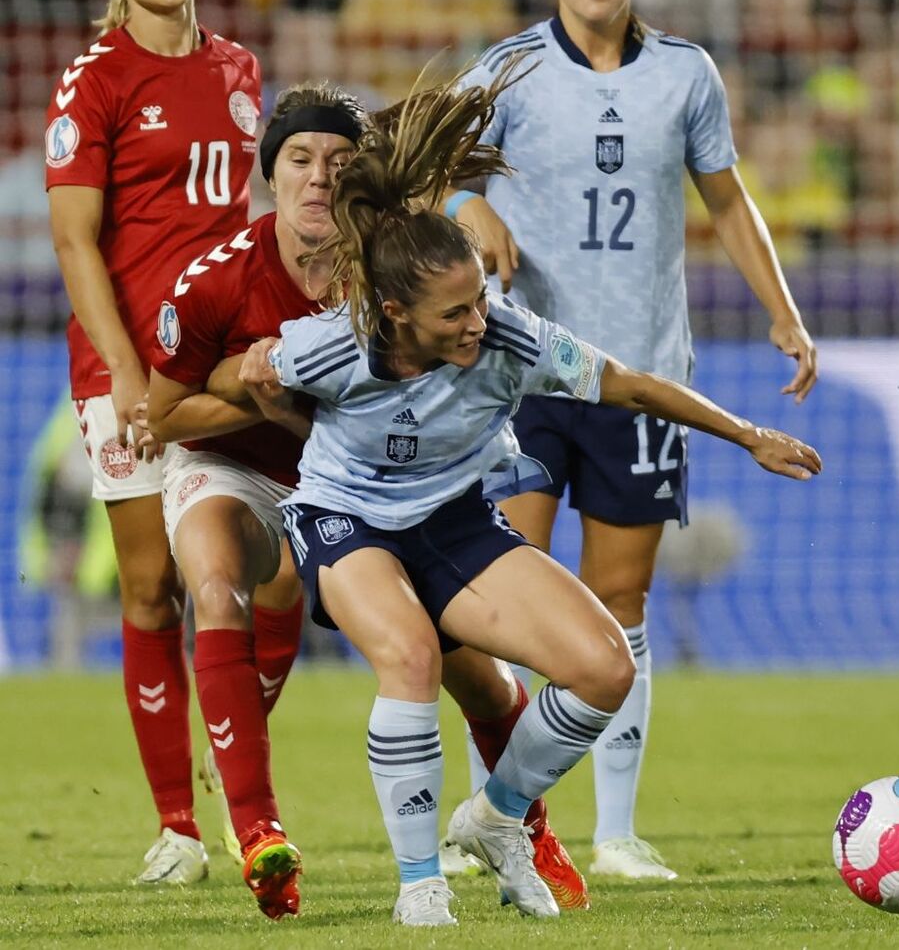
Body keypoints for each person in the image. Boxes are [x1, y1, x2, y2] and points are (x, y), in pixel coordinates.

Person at [235, 74, 821, 926]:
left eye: (480, 297)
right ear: (396, 313)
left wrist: (748, 434)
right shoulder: (332, 344)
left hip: (453, 520)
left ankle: (496, 816)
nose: (480, 321)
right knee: (409, 655)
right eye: (456, 313)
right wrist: (265, 396)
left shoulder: (510, 336)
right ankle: (418, 887)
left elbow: (630, 384)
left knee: (603, 665)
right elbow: (256, 379)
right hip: (345, 518)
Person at [147, 80, 588, 919]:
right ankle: (258, 833)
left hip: (379, 489)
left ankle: (525, 832)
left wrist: (309, 391)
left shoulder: (399, 265)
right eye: (300, 160)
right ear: (271, 178)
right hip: (244, 469)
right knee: (212, 576)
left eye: (338, 163)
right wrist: (262, 390)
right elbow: (165, 412)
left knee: (486, 687)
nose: (319, 177)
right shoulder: (218, 281)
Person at [451, 0, 819, 880]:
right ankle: (517, 813)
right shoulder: (510, 68)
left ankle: (607, 831)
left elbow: (727, 197)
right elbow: (432, 164)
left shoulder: (687, 76)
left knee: (621, 600)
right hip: (524, 370)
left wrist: (780, 306)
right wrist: (467, 207)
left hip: (644, 373)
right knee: (502, 595)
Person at [44, 0, 302, 886]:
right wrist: (125, 370)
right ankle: (178, 827)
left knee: (277, 574)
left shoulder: (238, 67)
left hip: (222, 355)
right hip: (123, 365)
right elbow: (74, 239)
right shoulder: (93, 83)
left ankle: (230, 742)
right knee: (152, 588)